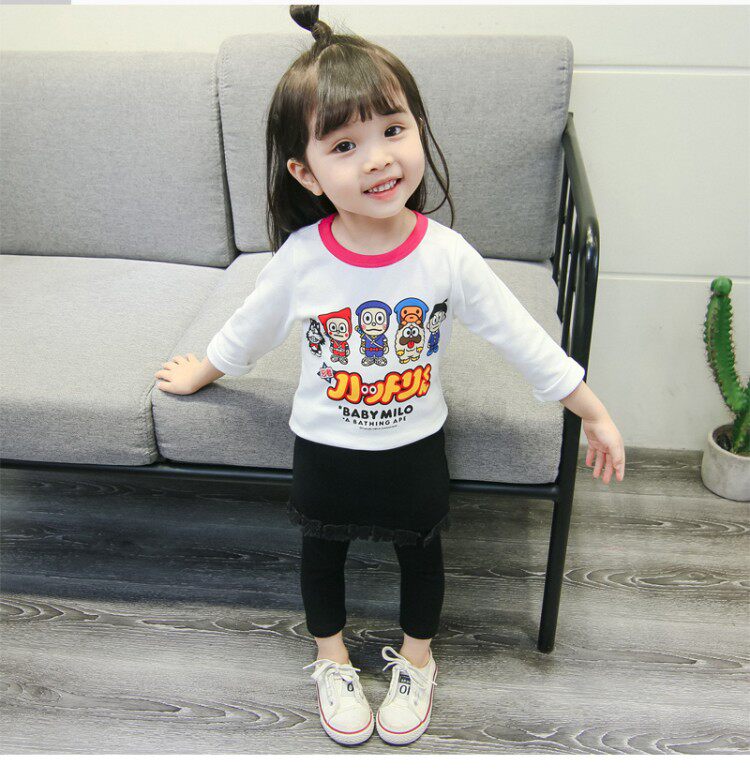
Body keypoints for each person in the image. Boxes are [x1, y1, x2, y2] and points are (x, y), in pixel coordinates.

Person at [154, 4, 626, 748]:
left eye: (393, 131)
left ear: (418, 130)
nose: (377, 159)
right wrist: (204, 370)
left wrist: (591, 409)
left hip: (414, 445)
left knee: (422, 555)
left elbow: (523, 337)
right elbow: (250, 329)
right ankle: (332, 659)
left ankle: (418, 662)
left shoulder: (446, 255)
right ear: (306, 172)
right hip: (325, 445)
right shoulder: (303, 258)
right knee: (322, 553)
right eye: (346, 145)